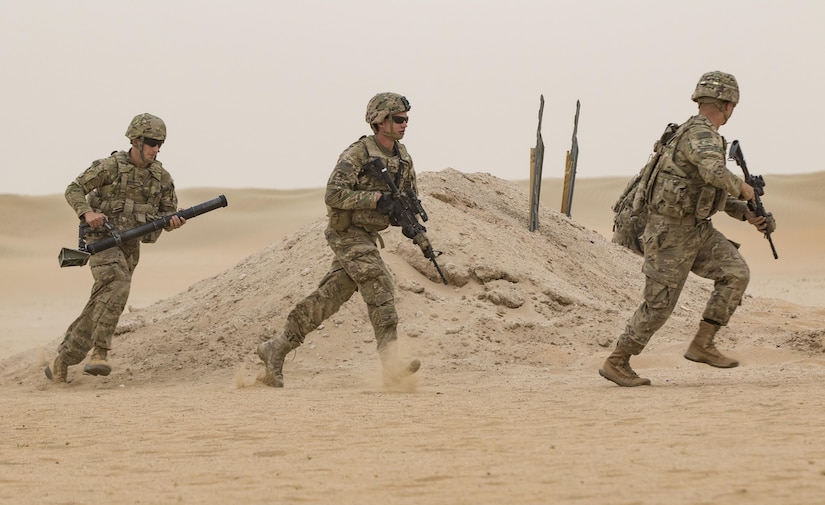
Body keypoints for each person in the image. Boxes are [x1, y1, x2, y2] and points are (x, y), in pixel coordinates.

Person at [599, 71, 776, 387]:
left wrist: (747, 214)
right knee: (659, 306)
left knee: (735, 272)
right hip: (671, 234)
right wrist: (744, 189)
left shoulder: (703, 136)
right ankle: (617, 361)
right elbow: (713, 172)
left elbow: (709, 193)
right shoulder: (700, 135)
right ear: (726, 104)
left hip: (697, 230)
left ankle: (702, 343)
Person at [257, 92, 422, 388]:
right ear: (380, 120)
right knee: (379, 283)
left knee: (329, 298)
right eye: (398, 119)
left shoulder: (403, 157)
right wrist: (375, 200)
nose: (404, 124)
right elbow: (333, 194)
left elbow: (408, 197)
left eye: (406, 119)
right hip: (346, 233)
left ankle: (276, 349)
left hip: (368, 236)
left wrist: (408, 224)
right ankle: (391, 367)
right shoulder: (358, 154)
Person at [45, 113, 186, 383]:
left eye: (160, 144)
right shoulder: (110, 167)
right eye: (152, 142)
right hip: (101, 241)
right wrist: (86, 212)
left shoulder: (161, 177)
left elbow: (166, 214)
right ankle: (100, 353)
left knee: (106, 299)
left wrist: (173, 222)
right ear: (135, 140)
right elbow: (74, 188)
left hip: (130, 248)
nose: (156, 149)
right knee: (119, 284)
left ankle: (62, 359)